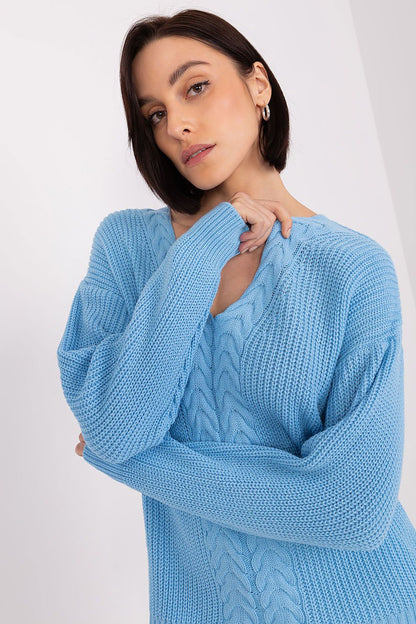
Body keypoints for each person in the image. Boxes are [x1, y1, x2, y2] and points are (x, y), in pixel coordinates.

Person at [57, 8, 416, 624]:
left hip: (369, 603)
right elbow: (119, 425)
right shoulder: (127, 249)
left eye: (195, 87)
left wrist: (136, 461)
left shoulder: (353, 270)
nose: (179, 126)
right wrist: (208, 238)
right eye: (156, 114)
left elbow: (351, 510)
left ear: (258, 85)